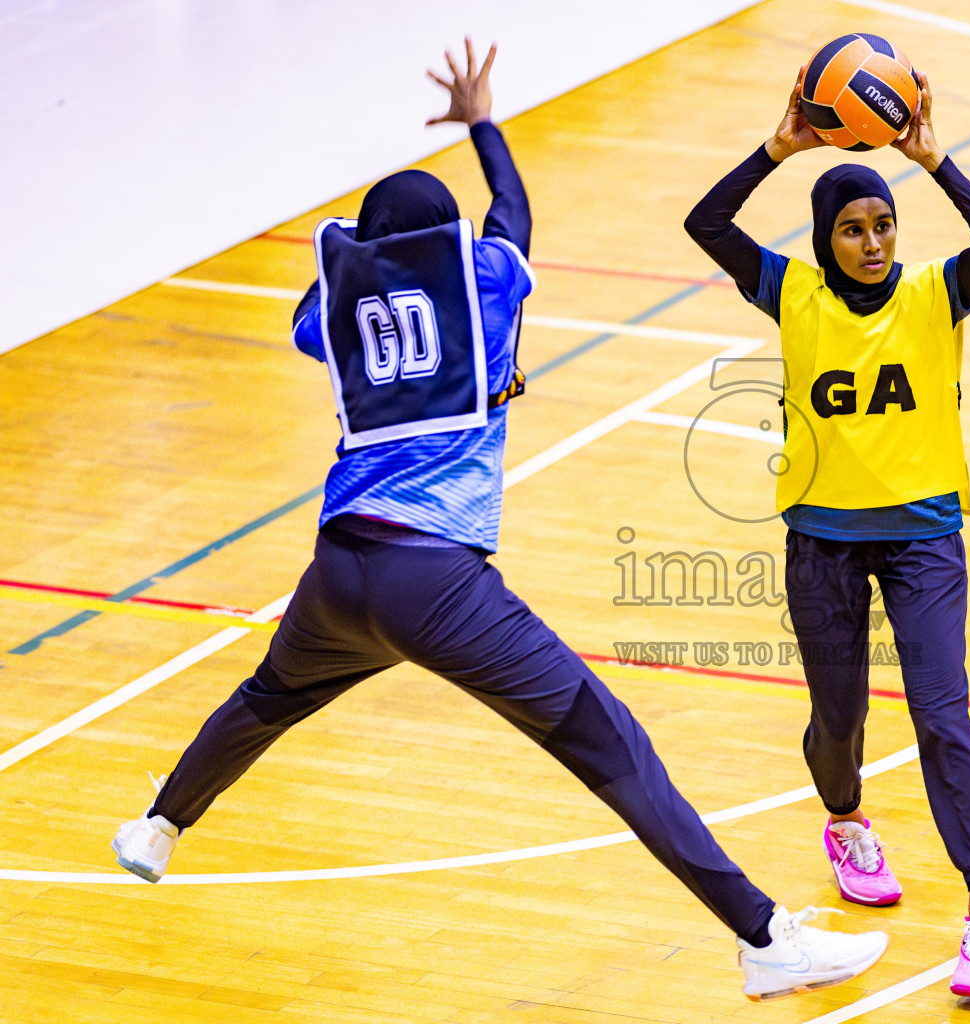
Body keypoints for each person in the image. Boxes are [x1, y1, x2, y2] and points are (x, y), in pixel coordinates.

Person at [111, 40, 886, 1003]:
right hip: (434, 580)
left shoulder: (341, 324)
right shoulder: (484, 287)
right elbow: (512, 214)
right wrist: (481, 122)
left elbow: (317, 299)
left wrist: (364, 242)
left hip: (339, 570)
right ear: (453, 248)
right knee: (614, 746)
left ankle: (159, 824)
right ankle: (765, 938)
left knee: (269, 698)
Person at [683, 65, 970, 998]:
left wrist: (933, 160)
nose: (873, 243)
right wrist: (779, 148)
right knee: (838, 720)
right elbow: (706, 226)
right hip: (822, 539)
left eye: (883, 226)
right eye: (853, 228)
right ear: (824, 239)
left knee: (941, 713)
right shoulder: (790, 291)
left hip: (924, 539)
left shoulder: (935, 294)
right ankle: (844, 822)